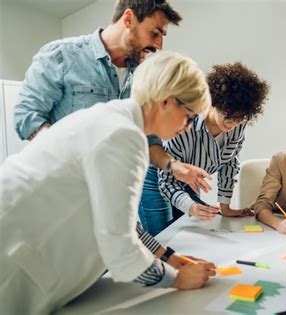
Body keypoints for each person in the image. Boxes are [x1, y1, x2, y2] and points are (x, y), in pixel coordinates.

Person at [0, 52, 216, 315]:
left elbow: (120, 221)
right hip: (14, 262)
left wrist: (169, 257)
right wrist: (177, 279)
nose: (189, 127)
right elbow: (120, 250)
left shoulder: (111, 120)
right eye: (190, 116)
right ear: (167, 101)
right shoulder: (124, 136)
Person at [13, 0, 211, 194]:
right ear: (128, 19)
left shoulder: (142, 75)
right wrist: (72, 161)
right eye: (154, 33)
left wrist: (172, 165)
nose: (158, 45)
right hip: (59, 194)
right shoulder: (62, 55)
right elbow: (26, 116)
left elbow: (148, 137)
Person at [145, 62, 269, 229]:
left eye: (240, 118)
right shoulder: (185, 126)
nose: (233, 124)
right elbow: (167, 182)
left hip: (191, 178)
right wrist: (191, 207)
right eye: (228, 116)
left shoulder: (238, 124)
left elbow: (229, 164)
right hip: (158, 177)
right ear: (213, 102)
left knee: (190, 228)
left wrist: (225, 207)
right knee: (163, 234)